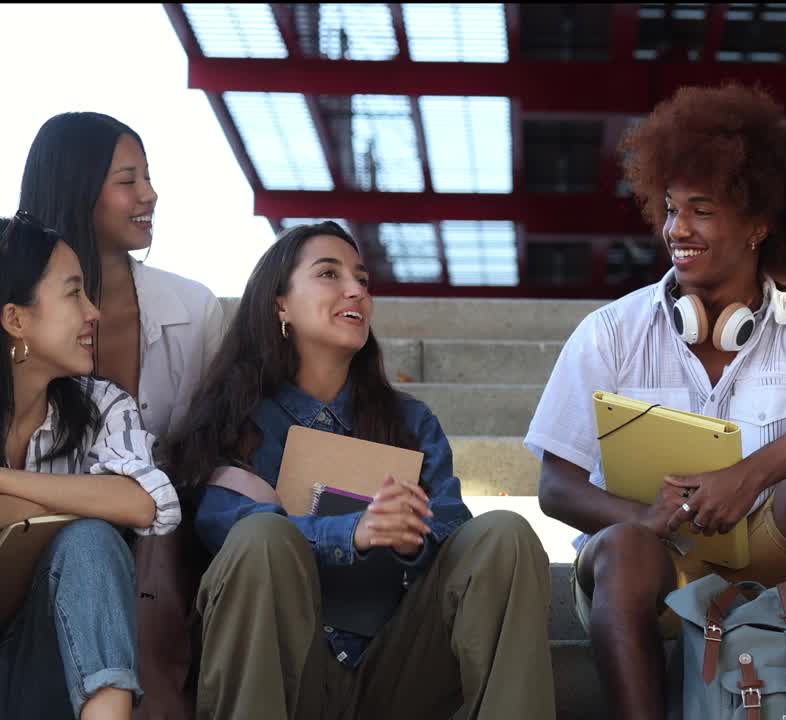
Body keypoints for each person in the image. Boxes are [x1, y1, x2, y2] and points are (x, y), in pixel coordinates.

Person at [526, 84, 786, 716]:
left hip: (770, 549)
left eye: (701, 210)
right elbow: (554, 485)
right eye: (671, 209)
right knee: (624, 545)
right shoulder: (612, 330)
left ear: (759, 225)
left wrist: (747, 476)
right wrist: (642, 518)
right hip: (651, 564)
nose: (678, 229)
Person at [166, 222, 554, 720]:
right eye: (329, 273)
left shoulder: (411, 421)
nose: (356, 290)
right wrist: (354, 531)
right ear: (279, 303)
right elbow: (227, 531)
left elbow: (454, 530)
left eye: (363, 279)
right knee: (261, 537)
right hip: (288, 672)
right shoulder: (237, 419)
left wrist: (414, 535)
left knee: (505, 533)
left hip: (397, 668)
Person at [0, 213, 180, 719]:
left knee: (91, 542)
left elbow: (146, 502)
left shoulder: (102, 405)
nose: (95, 312)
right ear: (16, 320)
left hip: (48, 667)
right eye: (74, 294)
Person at [19, 111, 223, 439]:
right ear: (76, 190)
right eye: (128, 181)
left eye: (148, 178)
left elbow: (217, 440)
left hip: (173, 491)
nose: (149, 194)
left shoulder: (196, 309)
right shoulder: (13, 303)